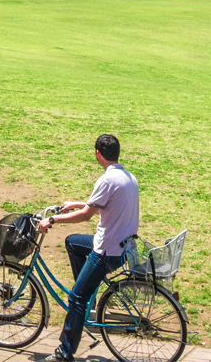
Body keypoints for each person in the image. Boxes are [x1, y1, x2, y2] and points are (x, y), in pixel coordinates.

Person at [37, 135, 138, 362]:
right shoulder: (129, 177)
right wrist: (76, 203)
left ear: (98, 154)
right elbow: (103, 205)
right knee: (73, 242)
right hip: (124, 247)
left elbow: (85, 216)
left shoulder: (107, 180)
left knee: (76, 298)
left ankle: (65, 353)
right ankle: (87, 292)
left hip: (107, 251)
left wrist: (52, 220)